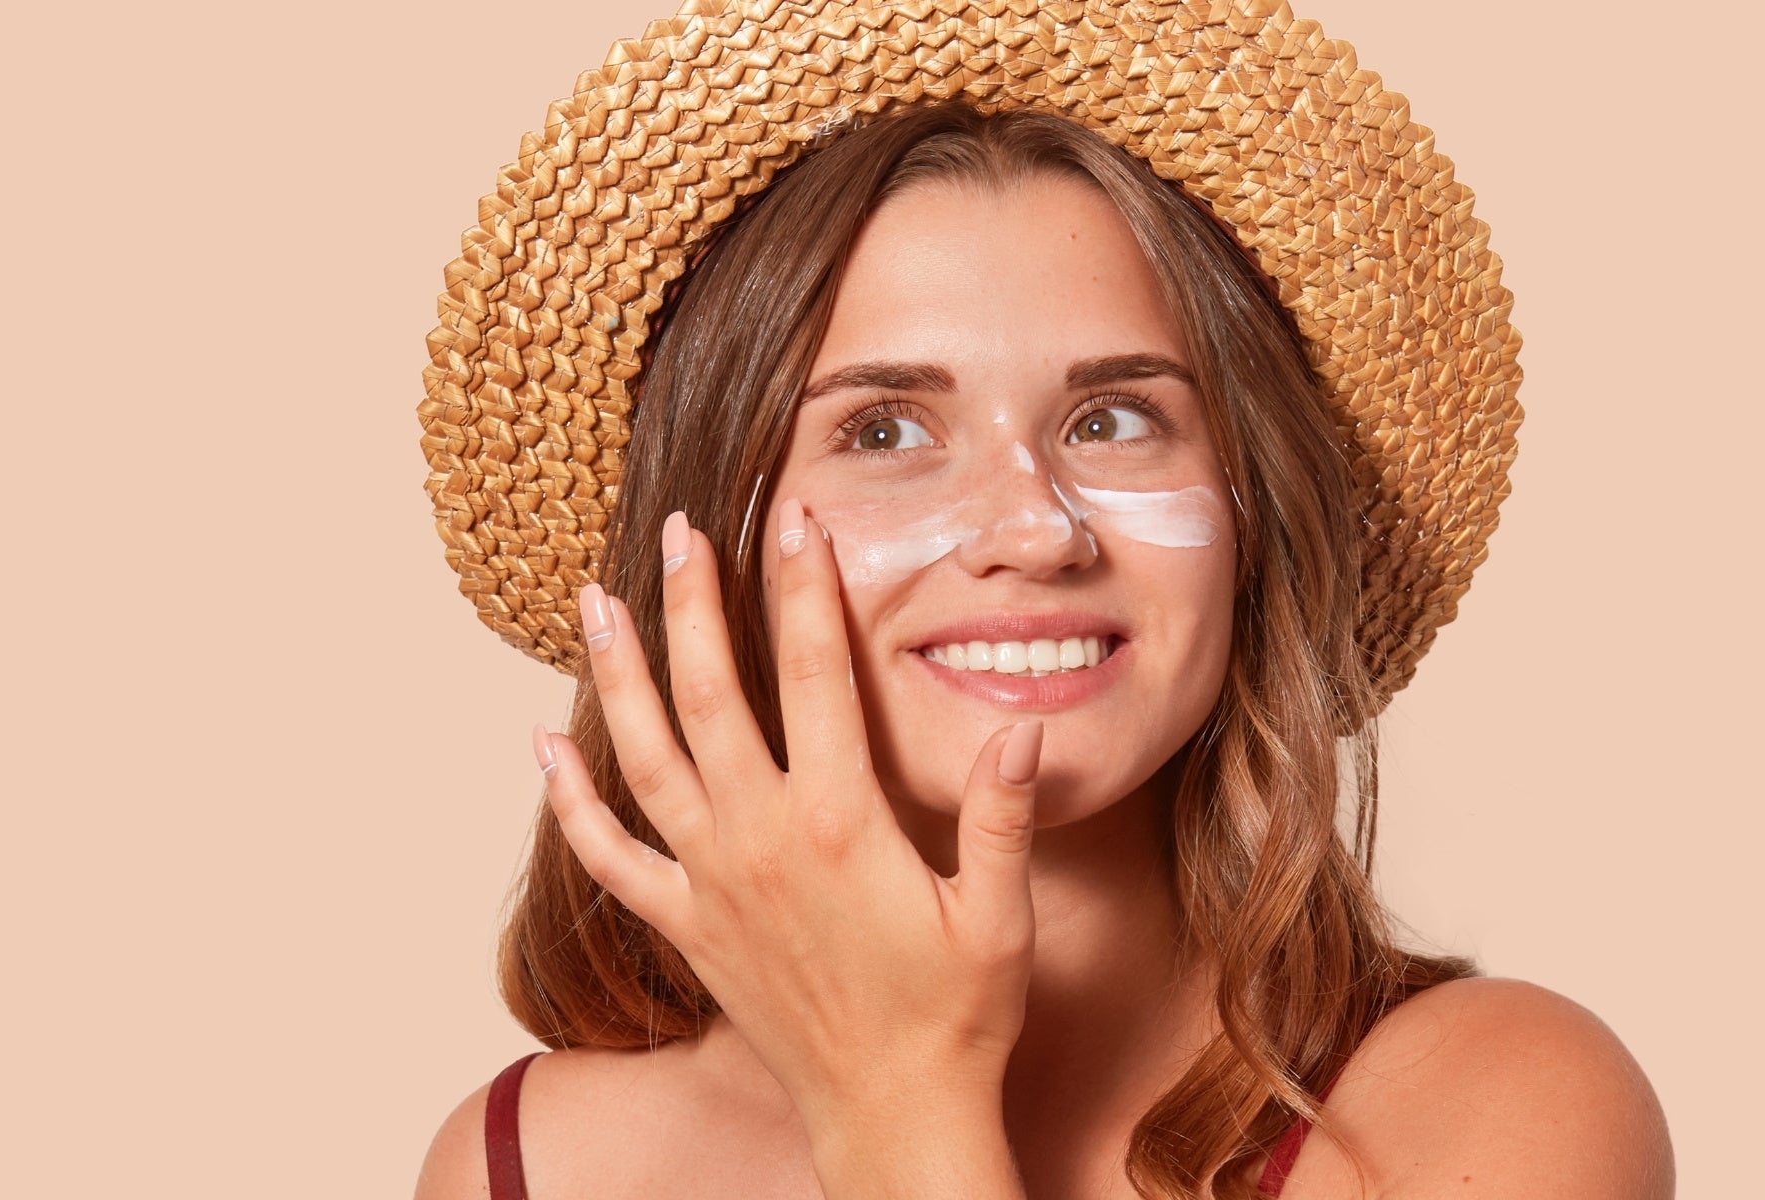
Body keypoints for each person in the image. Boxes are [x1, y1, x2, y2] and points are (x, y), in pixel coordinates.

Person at [411, 3, 1671, 1196]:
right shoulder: (528, 1168)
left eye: (1113, 419)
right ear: (705, 545)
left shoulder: (1498, 1104)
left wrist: (894, 1097)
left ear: (1253, 521)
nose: (1036, 529)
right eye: (884, 430)